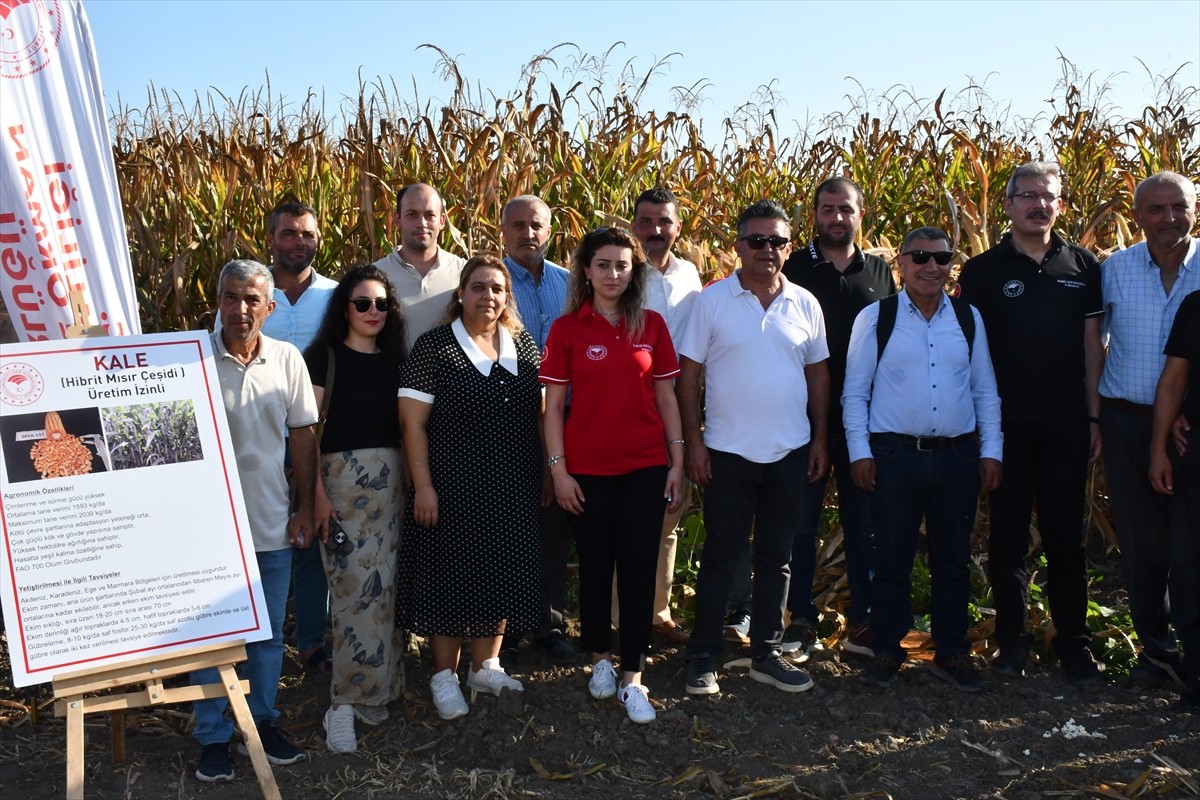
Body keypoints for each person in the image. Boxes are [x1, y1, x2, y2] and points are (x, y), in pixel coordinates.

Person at [958, 162, 1105, 684]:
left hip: (1067, 425)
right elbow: (969, 356)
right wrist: (980, 430)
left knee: (1068, 539)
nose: (1038, 205)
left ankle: (1075, 647)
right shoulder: (981, 272)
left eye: (1048, 197)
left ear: (1059, 205)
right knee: (1007, 540)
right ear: (1008, 204)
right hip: (1006, 427)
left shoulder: (1084, 266)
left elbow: (1093, 350)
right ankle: (1012, 644)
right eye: (1027, 196)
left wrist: (1093, 417)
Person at [676, 200, 830, 697]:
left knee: (777, 557)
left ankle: (765, 652)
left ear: (789, 247)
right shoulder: (711, 301)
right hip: (726, 453)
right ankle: (703, 655)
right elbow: (688, 377)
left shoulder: (805, 302)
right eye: (756, 241)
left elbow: (818, 373)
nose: (767, 250)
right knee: (721, 556)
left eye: (777, 242)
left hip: (788, 451)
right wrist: (694, 443)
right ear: (738, 246)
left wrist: (820, 438)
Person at [843, 227, 1003, 693]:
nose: (931, 266)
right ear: (901, 264)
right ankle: (888, 651)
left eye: (941, 257)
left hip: (957, 458)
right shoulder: (877, 318)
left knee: (952, 559)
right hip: (894, 457)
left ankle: (951, 652)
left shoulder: (968, 318)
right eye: (920, 257)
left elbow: (984, 391)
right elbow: (855, 392)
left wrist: (991, 450)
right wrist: (860, 453)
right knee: (892, 558)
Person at [541, 227, 684, 724]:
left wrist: (678, 463)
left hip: (646, 466)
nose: (613, 274)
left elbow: (667, 398)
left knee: (640, 569)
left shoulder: (653, 326)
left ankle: (633, 678)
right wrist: (559, 473)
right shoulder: (567, 330)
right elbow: (553, 407)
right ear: (586, 270)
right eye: (603, 264)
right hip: (587, 469)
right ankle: (599, 659)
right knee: (597, 566)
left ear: (634, 271)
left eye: (623, 265)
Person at [396, 254, 541, 721]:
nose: (489, 296)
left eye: (497, 289)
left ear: (507, 297)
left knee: (500, 571)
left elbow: (541, 415)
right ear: (461, 293)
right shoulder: (435, 347)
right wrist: (423, 487)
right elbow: (412, 425)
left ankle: (486, 665)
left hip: (512, 484)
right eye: (478, 287)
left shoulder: (524, 343)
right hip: (451, 487)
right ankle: (444, 675)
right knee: (448, 578)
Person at [193, 259, 319, 782]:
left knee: (267, 636)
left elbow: (305, 437)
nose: (240, 310)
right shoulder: (191, 359)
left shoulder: (287, 359)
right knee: (211, 639)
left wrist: (307, 506)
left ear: (269, 308)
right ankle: (213, 735)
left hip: (270, 522)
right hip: (208, 531)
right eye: (230, 298)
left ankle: (262, 724)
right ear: (217, 301)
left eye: (251, 300)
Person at [216, 200, 338, 675]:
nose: (298, 242)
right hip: (255, 438)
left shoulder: (333, 295)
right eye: (288, 234)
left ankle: (309, 642)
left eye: (307, 234)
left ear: (318, 240)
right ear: (271, 239)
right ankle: (240, 644)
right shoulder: (245, 289)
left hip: (315, 431)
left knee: (308, 534)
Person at [780, 176, 897, 658]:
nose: (836, 217)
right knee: (801, 526)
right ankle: (800, 619)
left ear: (860, 215)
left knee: (862, 523)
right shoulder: (793, 268)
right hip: (802, 417)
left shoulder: (880, 272)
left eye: (845, 209)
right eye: (827, 209)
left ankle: (863, 622)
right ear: (814, 215)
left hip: (864, 421)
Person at [1100, 170, 1200, 688]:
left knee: (1190, 544)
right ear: (1136, 216)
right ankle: (1156, 652)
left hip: (1191, 430)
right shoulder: (1114, 269)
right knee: (1141, 544)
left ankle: (1194, 654)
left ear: (1194, 209)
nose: (1168, 218)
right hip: (1126, 421)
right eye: (1156, 209)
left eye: (1178, 207)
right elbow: (1095, 343)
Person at [304, 264, 407, 752]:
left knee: (384, 591)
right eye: (362, 303)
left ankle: (376, 689)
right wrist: (315, 495)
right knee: (351, 593)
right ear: (344, 307)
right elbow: (305, 435)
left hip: (392, 489)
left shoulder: (396, 362)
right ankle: (341, 703)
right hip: (340, 489)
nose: (373, 312)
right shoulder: (323, 360)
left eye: (381, 304)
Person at [496, 194, 579, 668]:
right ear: (504, 230)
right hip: (508, 422)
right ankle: (503, 628)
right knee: (508, 526)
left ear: (549, 231)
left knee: (553, 528)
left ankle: (548, 623)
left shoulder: (571, 285)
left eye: (537, 226)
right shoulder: (490, 283)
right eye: (519, 225)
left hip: (564, 422)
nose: (529, 233)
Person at [629, 187, 704, 645]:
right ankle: (622, 619)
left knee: (671, 512)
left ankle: (657, 611)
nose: (656, 231)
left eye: (665, 222)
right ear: (633, 225)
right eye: (647, 222)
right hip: (632, 406)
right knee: (629, 514)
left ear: (678, 226)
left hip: (682, 405)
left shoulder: (691, 275)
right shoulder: (621, 272)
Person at [1149, 288, 1200, 713]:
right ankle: (1197, 672)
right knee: (1189, 565)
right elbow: (1174, 380)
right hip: (1194, 456)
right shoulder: (1196, 306)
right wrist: (1159, 447)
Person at [373, 183, 467, 352]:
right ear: (397, 219)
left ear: (442, 221)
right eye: (412, 214)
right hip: (391, 377)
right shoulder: (374, 277)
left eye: (430, 215)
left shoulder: (465, 273)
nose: (421, 223)